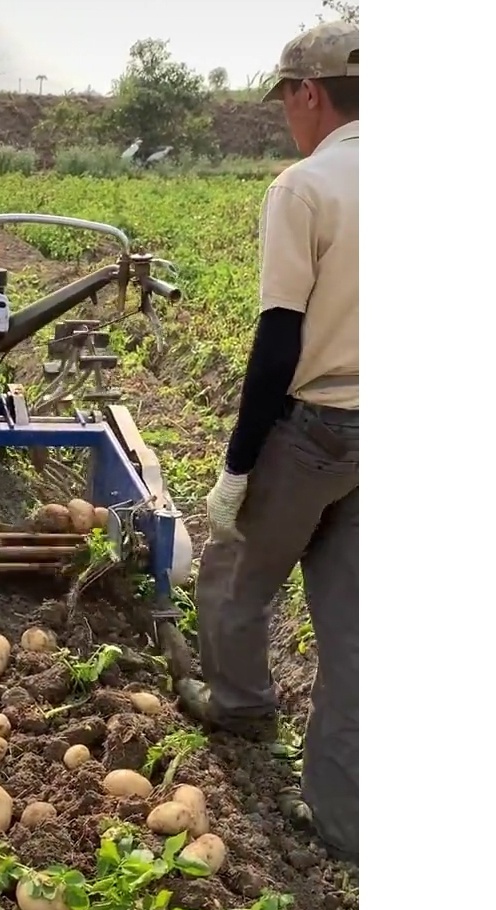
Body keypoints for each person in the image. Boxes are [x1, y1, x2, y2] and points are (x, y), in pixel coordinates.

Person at [175, 21, 359, 862]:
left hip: (316, 426)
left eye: (286, 96)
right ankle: (341, 816)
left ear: (308, 93)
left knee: (232, 575)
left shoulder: (308, 187)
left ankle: (242, 708)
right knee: (358, 628)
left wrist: (238, 466)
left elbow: (278, 343)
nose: (287, 113)